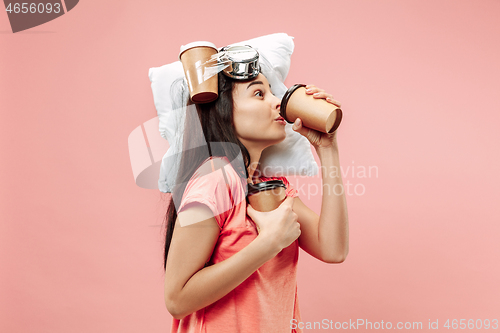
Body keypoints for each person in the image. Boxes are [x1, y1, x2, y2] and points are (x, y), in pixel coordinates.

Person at [162, 70, 349, 333]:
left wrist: (328, 149)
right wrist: (268, 243)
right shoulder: (214, 178)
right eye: (259, 93)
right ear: (224, 112)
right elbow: (176, 299)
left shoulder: (273, 184)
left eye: (272, 92)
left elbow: (333, 249)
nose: (276, 102)